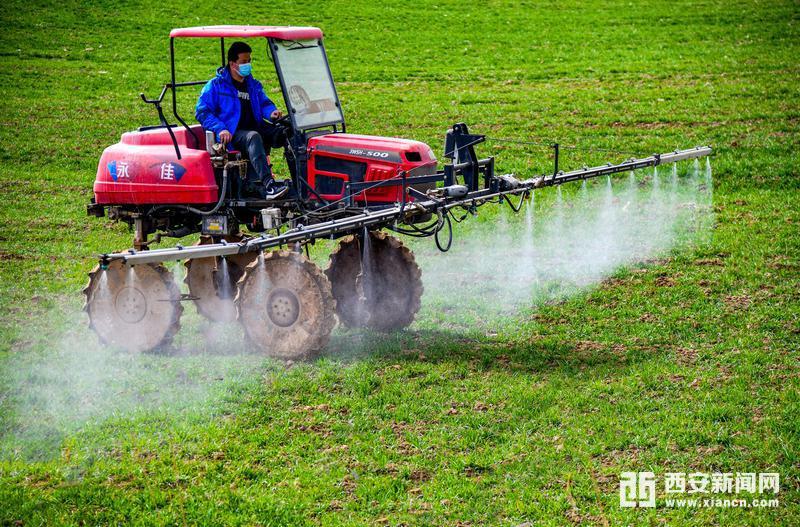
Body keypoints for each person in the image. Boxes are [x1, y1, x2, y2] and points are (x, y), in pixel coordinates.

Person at [196, 41, 288, 199]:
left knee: (287, 130)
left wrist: (271, 112)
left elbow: (264, 103)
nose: (248, 65)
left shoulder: (252, 84)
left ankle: (303, 183)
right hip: (233, 133)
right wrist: (220, 128)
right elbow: (202, 112)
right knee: (253, 137)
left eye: (249, 61)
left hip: (256, 127)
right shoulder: (216, 86)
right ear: (232, 64)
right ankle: (269, 185)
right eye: (244, 62)